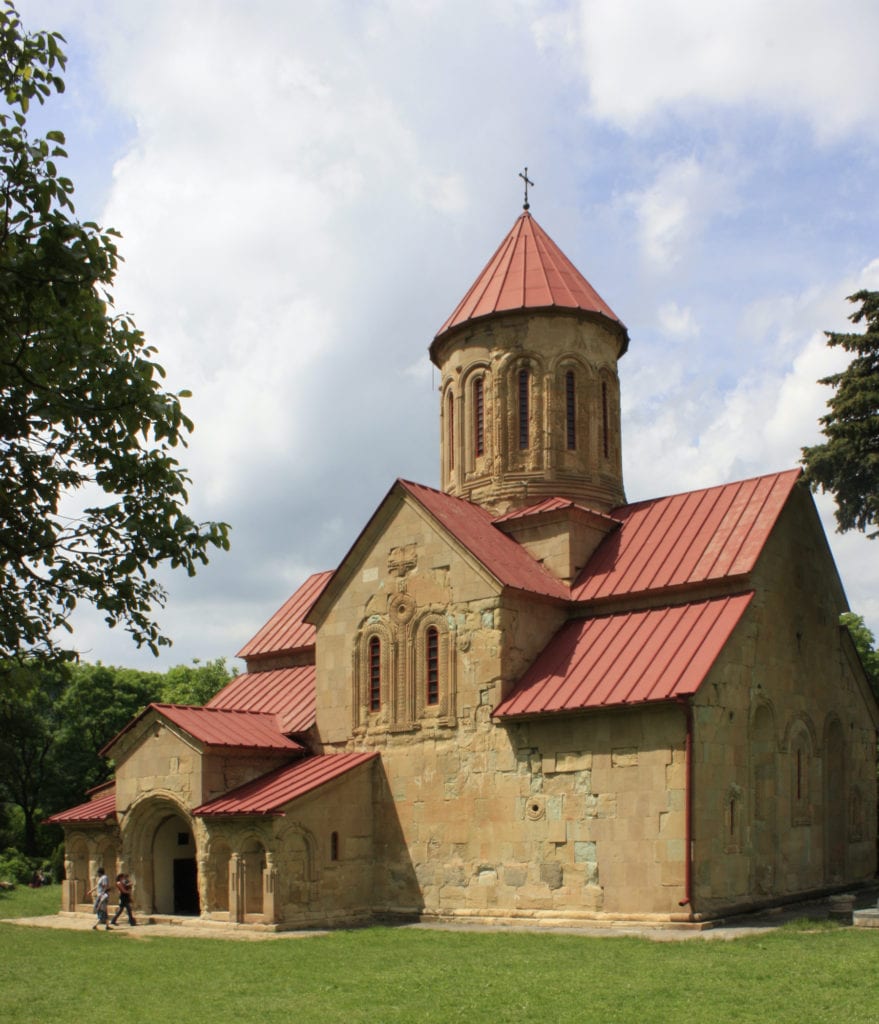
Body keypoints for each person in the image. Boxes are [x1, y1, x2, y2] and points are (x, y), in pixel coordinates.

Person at [87, 866, 112, 931]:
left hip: (102, 896)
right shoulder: (101, 878)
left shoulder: (104, 877)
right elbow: (97, 886)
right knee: (104, 911)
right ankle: (107, 926)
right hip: (100, 895)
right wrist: (91, 891)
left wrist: (103, 895)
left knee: (100, 909)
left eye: (98, 873)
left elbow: (105, 886)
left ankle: (96, 925)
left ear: (100, 872)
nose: (97, 874)